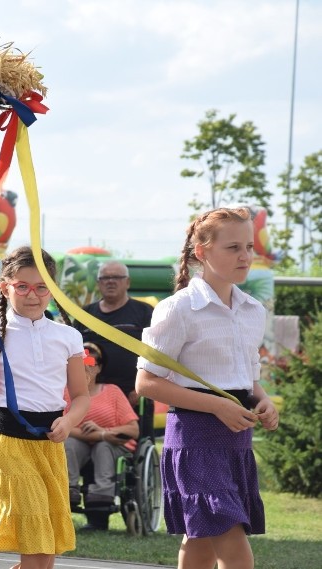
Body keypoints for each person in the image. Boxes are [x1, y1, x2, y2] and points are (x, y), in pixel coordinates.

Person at [135, 207, 279, 569]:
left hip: (236, 439)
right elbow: (146, 382)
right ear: (201, 252)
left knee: (199, 539)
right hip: (196, 438)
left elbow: (249, 375)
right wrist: (216, 406)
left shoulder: (253, 310)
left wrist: (263, 401)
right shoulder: (177, 309)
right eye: (233, 247)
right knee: (229, 534)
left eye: (248, 246)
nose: (245, 255)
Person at [0, 246, 90, 569]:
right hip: (8, 443)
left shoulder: (68, 337)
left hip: (49, 445)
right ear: (5, 287)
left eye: (42, 287)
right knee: (36, 538)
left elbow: (81, 396)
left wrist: (69, 421)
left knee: (45, 553)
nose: (34, 295)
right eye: (23, 286)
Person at [64, 341, 139, 531]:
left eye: (90, 363)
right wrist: (87, 434)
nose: (85, 368)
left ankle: (102, 497)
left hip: (111, 444)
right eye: (79, 363)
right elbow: (56, 424)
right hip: (78, 442)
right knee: (69, 444)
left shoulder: (112, 392)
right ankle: (69, 488)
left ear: (99, 367)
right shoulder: (65, 393)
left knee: (103, 447)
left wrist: (102, 433)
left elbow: (133, 430)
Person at [74, 260, 154, 437]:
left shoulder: (144, 312)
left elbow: (156, 354)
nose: (111, 281)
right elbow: (73, 356)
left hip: (133, 395)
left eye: (117, 277)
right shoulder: (85, 315)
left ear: (128, 282)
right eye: (105, 278)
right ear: (98, 283)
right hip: (92, 398)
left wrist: (143, 389)